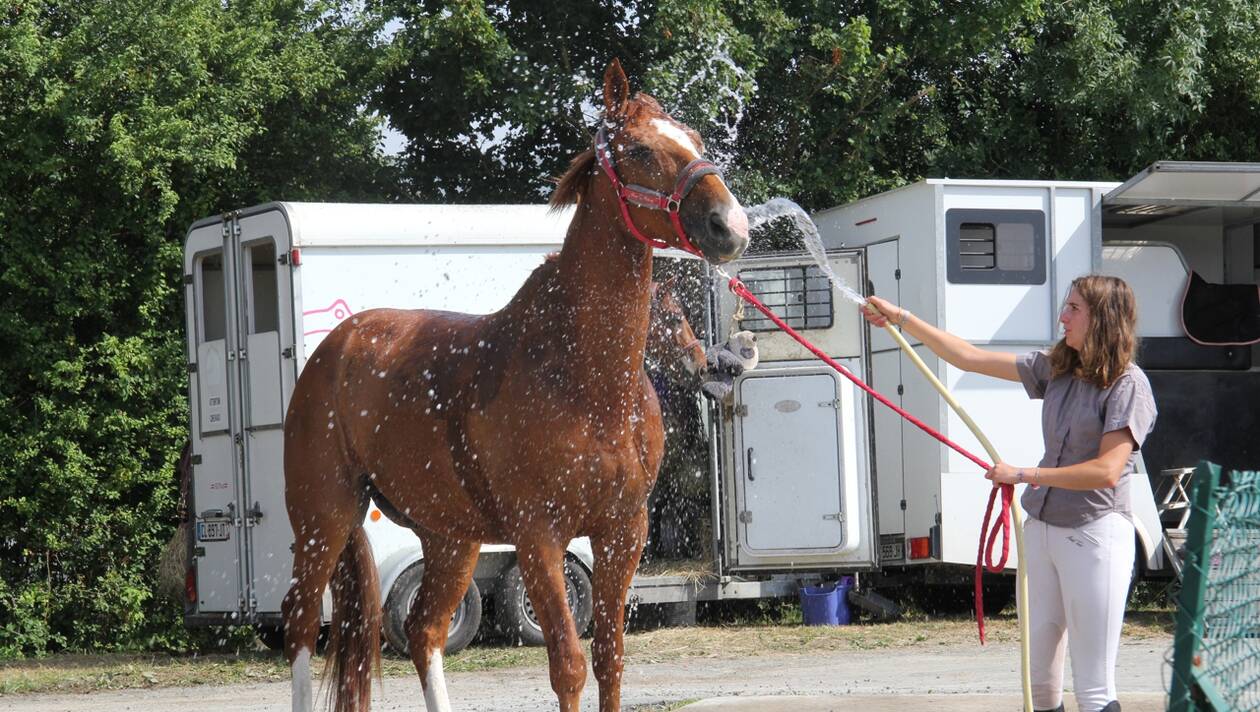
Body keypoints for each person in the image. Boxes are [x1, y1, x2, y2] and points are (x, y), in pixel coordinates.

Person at [863, 275, 1157, 712]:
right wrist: (901, 319)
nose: (1063, 316)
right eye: (1066, 306)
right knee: (1038, 683)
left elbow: (1107, 471)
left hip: (1095, 534)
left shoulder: (1128, 384)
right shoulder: (1057, 367)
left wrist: (1022, 473)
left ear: (1104, 319)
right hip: (1043, 531)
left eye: (1074, 308)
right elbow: (968, 358)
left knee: (1093, 686)